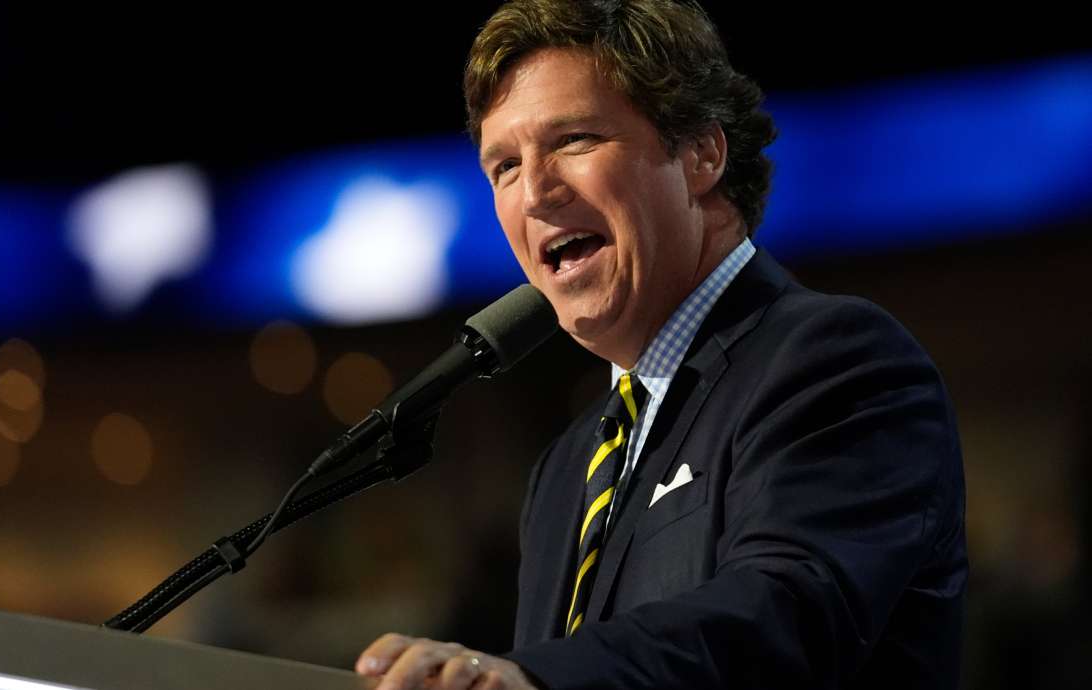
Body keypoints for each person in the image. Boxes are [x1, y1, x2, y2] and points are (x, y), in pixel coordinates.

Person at [355, 1, 968, 688]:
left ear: (702, 153)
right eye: (503, 166)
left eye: (574, 140)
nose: (533, 193)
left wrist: (532, 681)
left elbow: (784, 615)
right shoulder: (564, 471)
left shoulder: (835, 360)